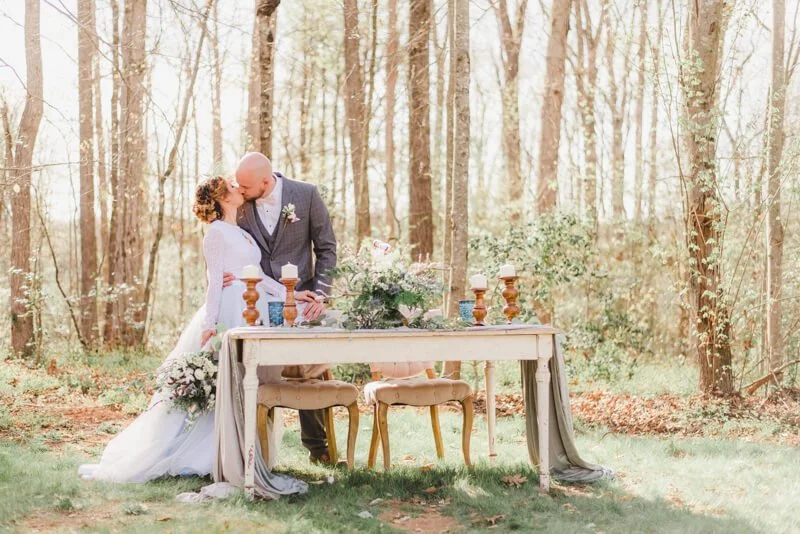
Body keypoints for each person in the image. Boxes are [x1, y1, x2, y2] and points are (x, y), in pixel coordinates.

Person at [78, 176, 308, 482]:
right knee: (225, 381)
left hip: (251, 307)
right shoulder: (215, 233)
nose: (239, 188)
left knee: (244, 381)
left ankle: (239, 449)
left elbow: (258, 277)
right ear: (223, 197)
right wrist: (210, 324)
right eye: (232, 186)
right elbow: (215, 281)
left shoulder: (242, 232)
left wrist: (292, 294)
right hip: (230, 309)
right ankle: (205, 453)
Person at [231, 152, 337, 464]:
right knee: (254, 370)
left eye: (246, 187)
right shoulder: (240, 204)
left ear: (266, 182)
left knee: (309, 369)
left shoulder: (306, 194)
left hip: (303, 300)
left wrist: (320, 295)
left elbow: (327, 248)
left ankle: (318, 447)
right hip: (257, 301)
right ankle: (257, 451)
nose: (240, 191)